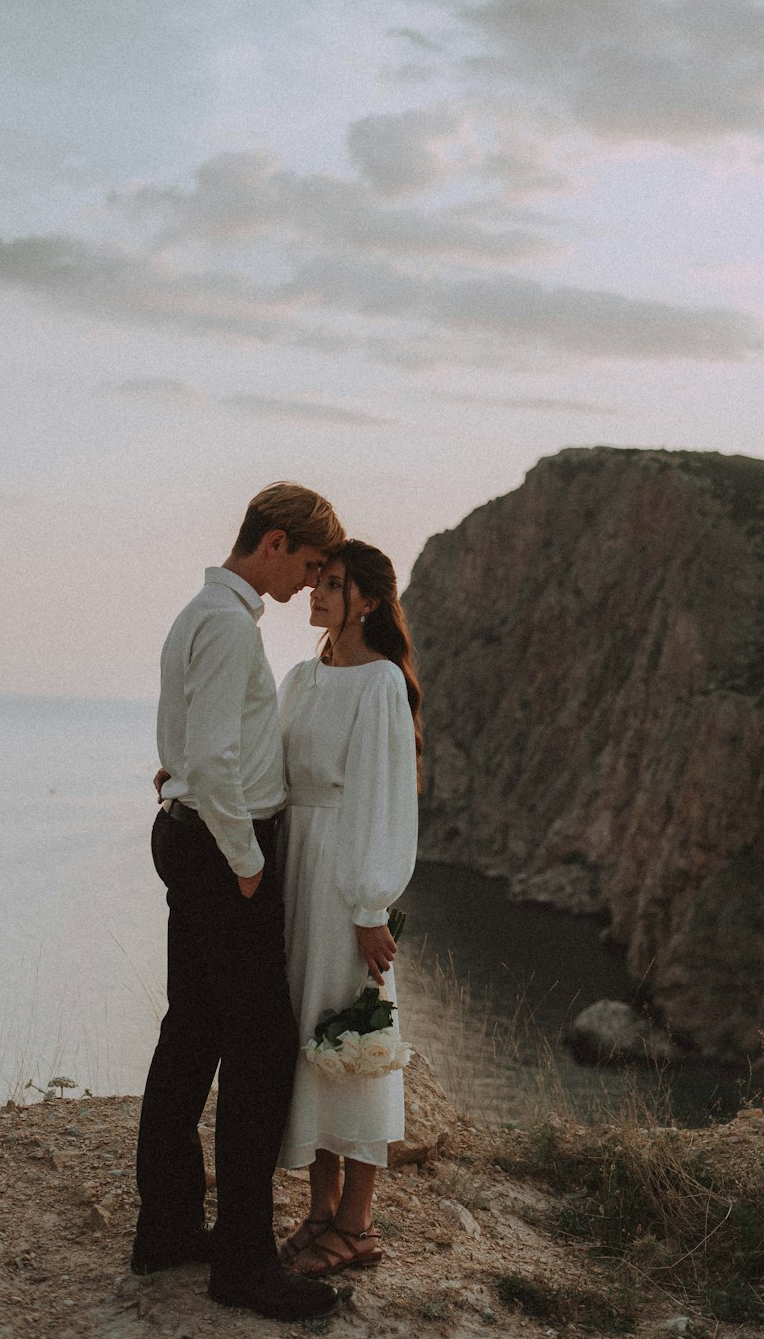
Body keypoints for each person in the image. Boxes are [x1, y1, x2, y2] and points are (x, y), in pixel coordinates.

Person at [132, 483, 346, 1323]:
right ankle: (245, 1264)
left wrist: (194, 796)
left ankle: (170, 1228)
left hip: (191, 837)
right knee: (260, 1048)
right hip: (222, 854)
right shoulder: (226, 624)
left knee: (191, 1032)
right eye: (309, 564)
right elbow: (218, 761)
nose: (308, 584)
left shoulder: (202, 612)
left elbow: (185, 741)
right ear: (275, 543)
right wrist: (249, 862)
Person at [275, 540, 421, 1277]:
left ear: (366, 599)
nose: (317, 595)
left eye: (334, 585)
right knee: (311, 1037)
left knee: (353, 1037)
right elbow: (267, 764)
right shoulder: (304, 677)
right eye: (318, 583)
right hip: (297, 872)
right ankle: (320, 1212)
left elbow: (384, 798)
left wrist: (370, 905)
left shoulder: (381, 685)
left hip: (342, 881)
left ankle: (359, 1225)